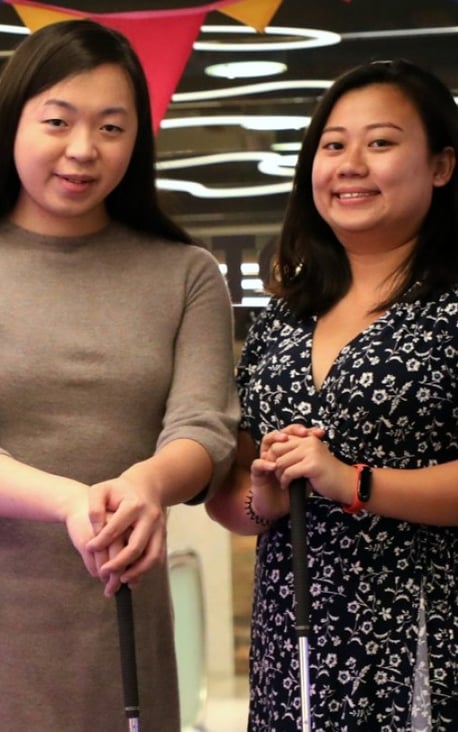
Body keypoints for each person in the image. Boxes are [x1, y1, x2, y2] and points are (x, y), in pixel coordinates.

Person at [0, 19, 238, 731]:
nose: (83, 149)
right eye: (58, 121)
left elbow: (206, 429)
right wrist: (74, 504)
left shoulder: (186, 275)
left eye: (112, 127)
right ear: (11, 123)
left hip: (120, 613)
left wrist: (145, 485)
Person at [205, 58, 458, 730]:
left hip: (429, 633)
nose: (350, 164)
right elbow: (233, 501)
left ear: (441, 166)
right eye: (333, 145)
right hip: (297, 648)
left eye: (380, 143)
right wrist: (263, 495)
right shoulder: (280, 321)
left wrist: (352, 481)